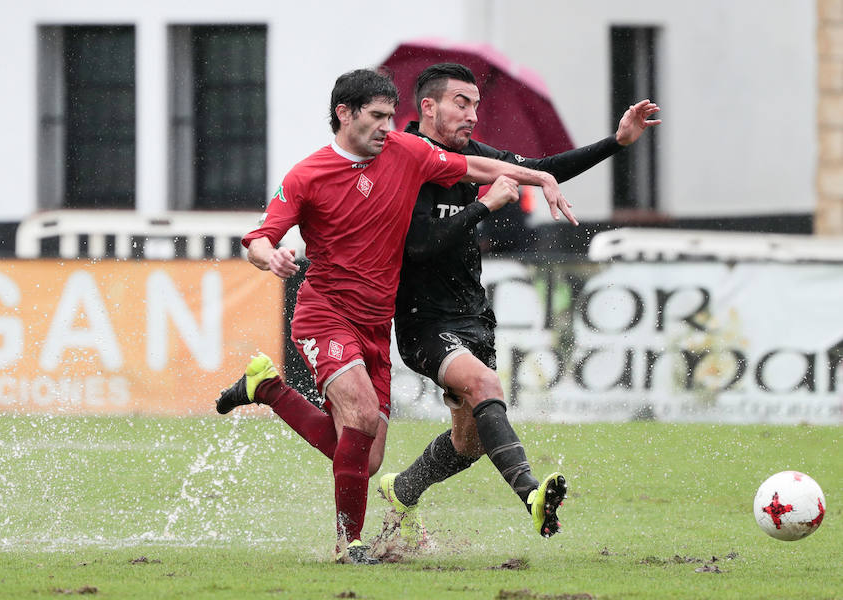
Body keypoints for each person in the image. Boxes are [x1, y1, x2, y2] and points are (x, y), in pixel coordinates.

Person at [214, 68, 577, 565]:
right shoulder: (306, 175)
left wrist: (539, 176)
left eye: (391, 115)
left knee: (366, 457)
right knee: (361, 417)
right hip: (324, 314)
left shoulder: (407, 153)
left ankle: (267, 388)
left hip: (375, 326)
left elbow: (472, 167)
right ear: (345, 114)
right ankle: (350, 544)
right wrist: (269, 255)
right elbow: (260, 237)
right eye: (378, 116)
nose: (389, 125)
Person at [379, 63, 662, 548]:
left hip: (473, 316)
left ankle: (401, 490)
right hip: (422, 322)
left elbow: (541, 168)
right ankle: (532, 494)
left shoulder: (473, 155)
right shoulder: (404, 158)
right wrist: (483, 206)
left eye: (475, 105)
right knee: (486, 384)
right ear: (427, 106)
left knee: (467, 444)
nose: (471, 115)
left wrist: (617, 142)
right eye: (460, 103)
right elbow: (418, 246)